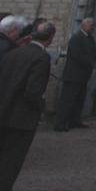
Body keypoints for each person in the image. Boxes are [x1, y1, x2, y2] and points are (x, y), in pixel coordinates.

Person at [0, 20, 55, 191]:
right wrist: (41, 105)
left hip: (4, 111)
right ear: (50, 38)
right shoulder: (41, 57)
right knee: (11, 161)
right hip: (22, 118)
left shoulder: (13, 52)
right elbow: (33, 91)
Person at [54, 18, 96, 132]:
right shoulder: (76, 38)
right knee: (68, 100)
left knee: (79, 99)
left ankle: (74, 121)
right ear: (83, 25)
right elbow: (76, 55)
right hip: (73, 75)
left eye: (93, 26)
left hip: (83, 76)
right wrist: (90, 63)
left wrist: (95, 61)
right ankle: (61, 123)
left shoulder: (90, 38)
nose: (93, 28)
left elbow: (94, 52)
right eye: (91, 25)